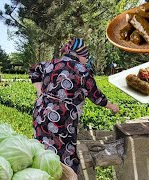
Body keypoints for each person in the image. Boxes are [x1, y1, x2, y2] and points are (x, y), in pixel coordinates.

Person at [29, 38, 119, 174]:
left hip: (41, 110)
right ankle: (64, 176)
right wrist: (112, 106)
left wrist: (40, 90)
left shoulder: (51, 63)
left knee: (42, 148)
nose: (87, 61)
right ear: (80, 54)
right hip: (61, 115)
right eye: (86, 57)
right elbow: (95, 95)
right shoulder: (81, 70)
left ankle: (40, 174)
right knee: (64, 152)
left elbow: (33, 69)